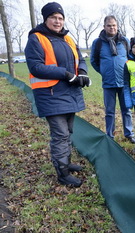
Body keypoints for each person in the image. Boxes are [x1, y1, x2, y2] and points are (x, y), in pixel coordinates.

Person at [24, 2, 91, 187]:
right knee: (60, 134)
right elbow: (36, 67)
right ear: (45, 19)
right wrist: (65, 74)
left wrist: (83, 72)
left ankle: (66, 162)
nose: (57, 21)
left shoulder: (68, 39)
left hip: (70, 93)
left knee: (68, 131)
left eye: (60, 18)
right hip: (51, 94)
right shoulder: (36, 39)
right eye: (53, 17)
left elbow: (81, 58)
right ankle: (62, 174)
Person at [90, 15, 135, 143]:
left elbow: (130, 58)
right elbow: (94, 61)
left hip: (124, 83)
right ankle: (110, 135)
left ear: (117, 26)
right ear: (104, 27)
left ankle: (129, 133)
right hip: (108, 83)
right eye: (109, 25)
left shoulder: (124, 41)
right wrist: (103, 72)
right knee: (109, 112)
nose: (112, 28)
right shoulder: (97, 43)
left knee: (126, 110)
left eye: (114, 25)